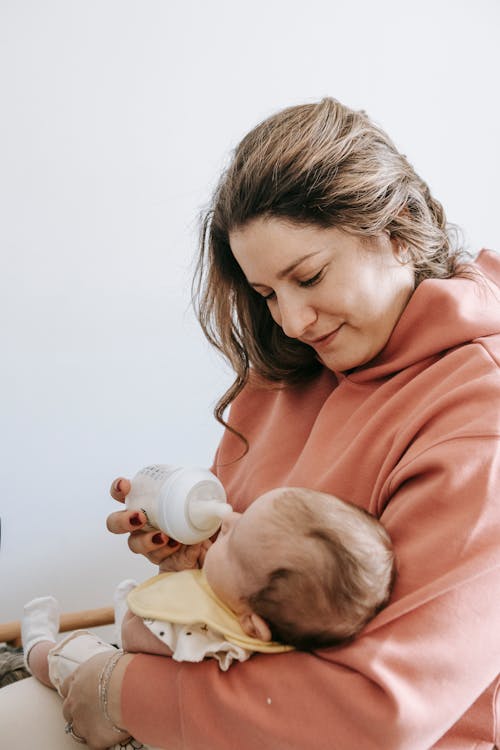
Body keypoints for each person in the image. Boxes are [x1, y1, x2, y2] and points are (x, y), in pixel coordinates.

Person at [1, 96, 499, 750]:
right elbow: (254, 600)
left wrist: (112, 691)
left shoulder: (478, 418)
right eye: (267, 295)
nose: (292, 321)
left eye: (310, 277)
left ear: (399, 230)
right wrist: (196, 560)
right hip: (219, 698)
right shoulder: (292, 364)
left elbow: (385, 712)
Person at [22, 486, 394, 749]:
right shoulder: (269, 613)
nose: (226, 522)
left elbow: (133, 639)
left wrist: (173, 579)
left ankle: (36, 645)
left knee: (74, 656)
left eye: (231, 541)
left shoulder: (210, 632)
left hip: (142, 730)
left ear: (252, 626)